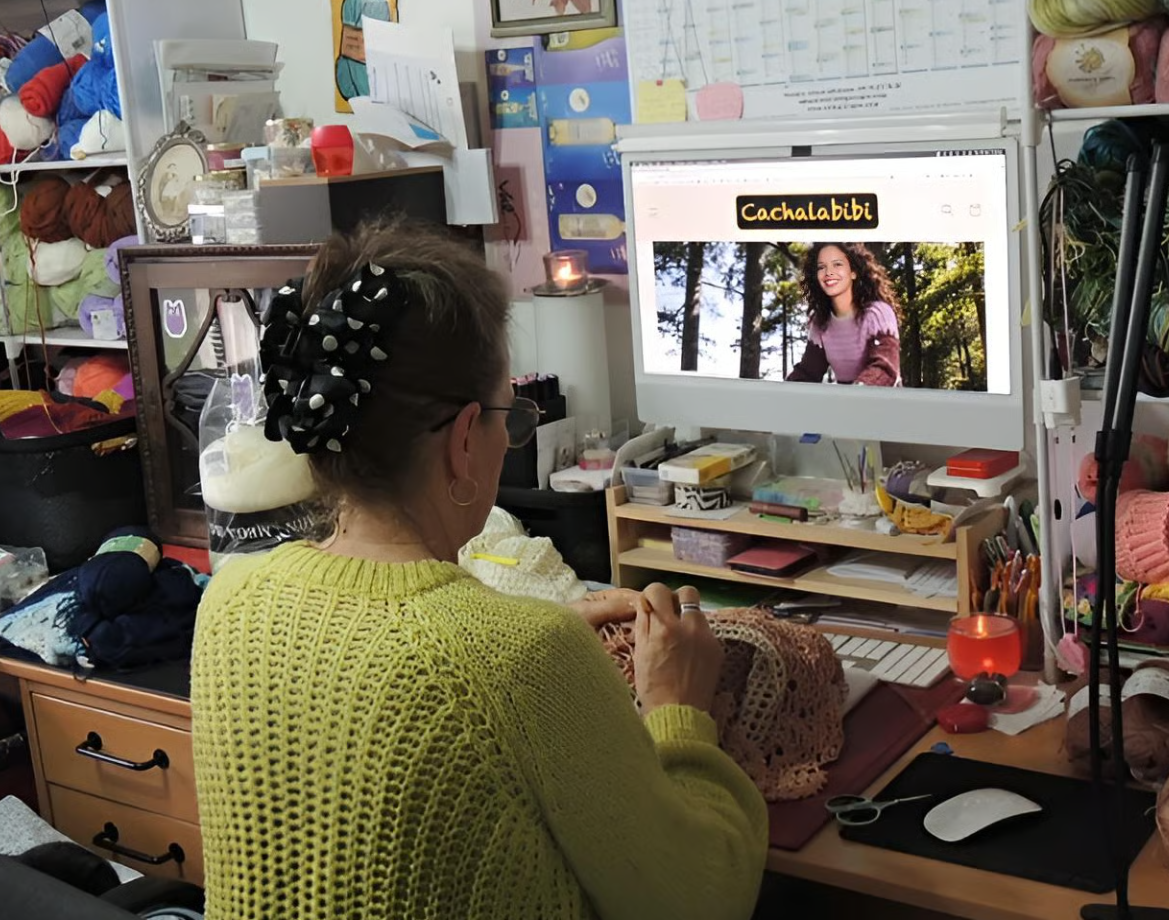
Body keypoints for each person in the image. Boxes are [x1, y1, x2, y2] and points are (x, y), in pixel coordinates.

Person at [191, 219, 768, 920]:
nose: (508, 437)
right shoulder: (519, 659)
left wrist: (536, 645)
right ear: (465, 440)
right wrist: (678, 708)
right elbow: (703, 900)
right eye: (509, 416)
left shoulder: (230, 601)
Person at [785, 241, 902, 386]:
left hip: (883, 403)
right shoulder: (821, 323)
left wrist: (855, 392)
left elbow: (885, 369)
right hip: (843, 402)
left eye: (837, 264)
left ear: (853, 272)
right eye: (821, 267)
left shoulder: (877, 314)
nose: (828, 272)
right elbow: (808, 372)